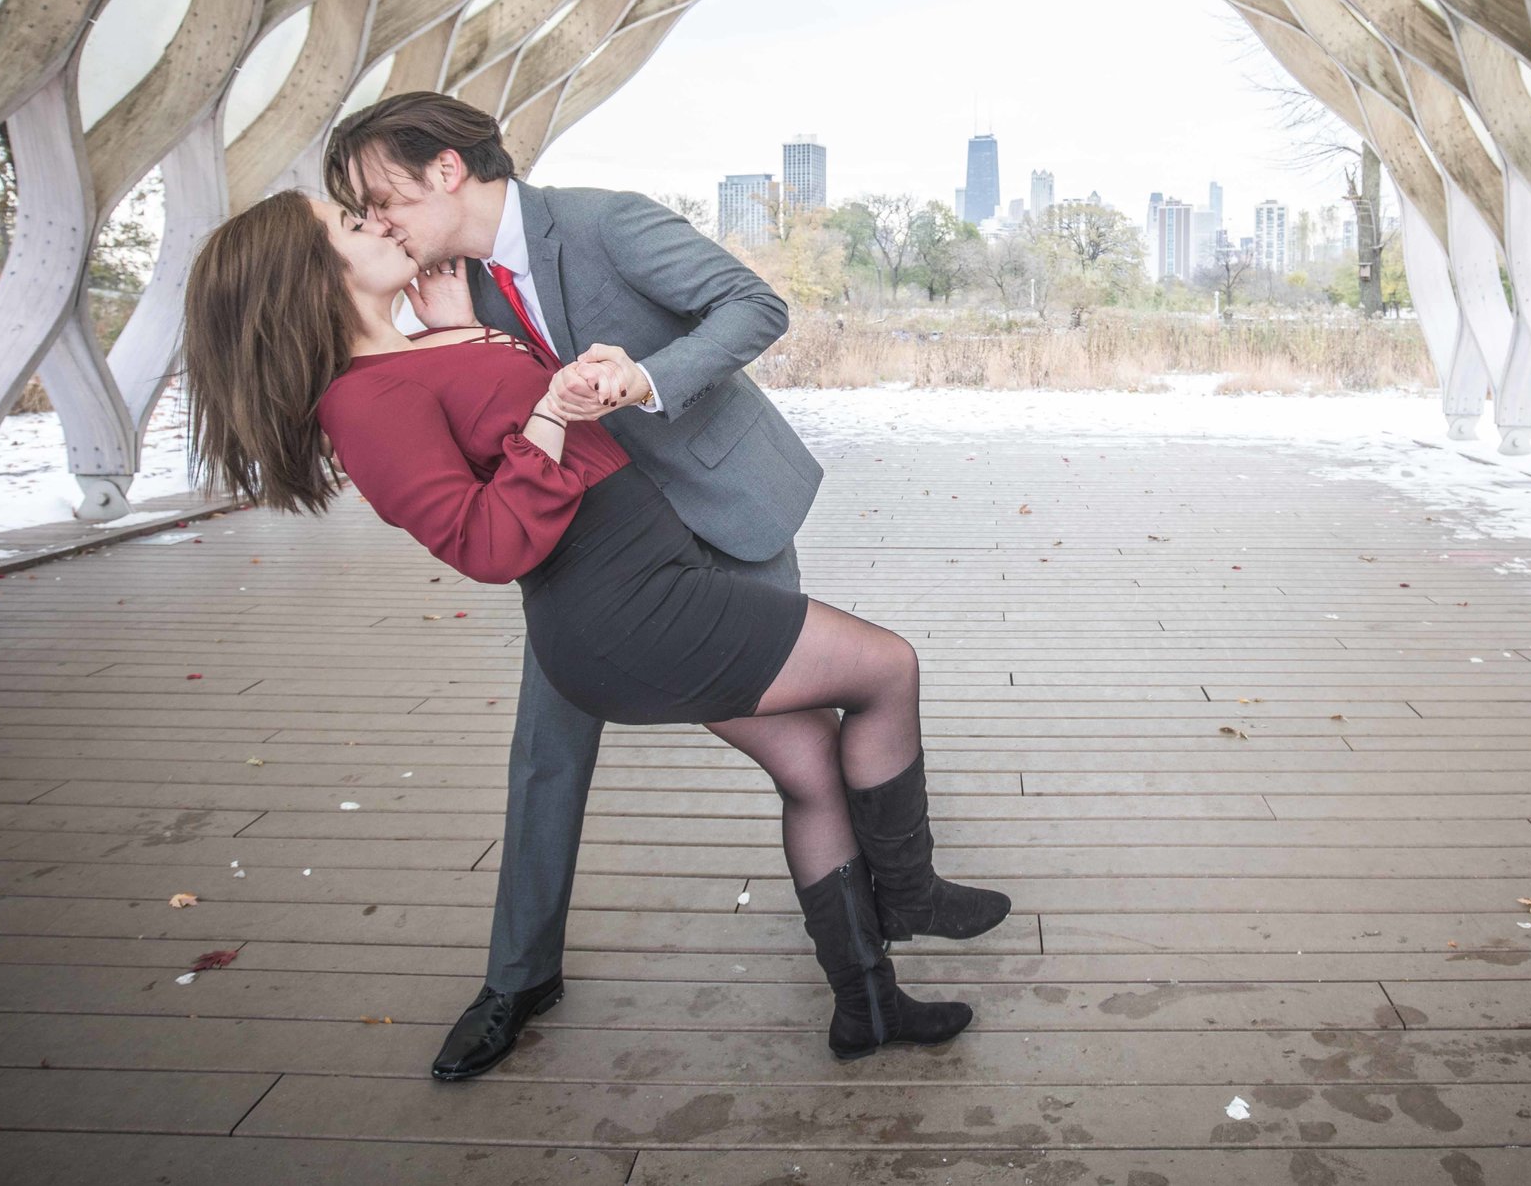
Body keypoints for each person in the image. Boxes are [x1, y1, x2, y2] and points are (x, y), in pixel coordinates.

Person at [181, 181, 1011, 1069]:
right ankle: (911, 892)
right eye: (352, 222)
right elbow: (485, 541)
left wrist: (473, 331)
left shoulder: (419, 345)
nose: (377, 222)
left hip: (650, 583)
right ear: (308, 276)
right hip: (627, 608)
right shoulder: (362, 403)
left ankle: (868, 1008)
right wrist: (547, 410)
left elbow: (494, 417)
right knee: (886, 667)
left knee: (810, 758)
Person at [328, 91, 825, 1078]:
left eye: (379, 193)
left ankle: (875, 907)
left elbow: (754, 306)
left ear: (445, 169)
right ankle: (517, 976)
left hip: (722, 503)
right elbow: (484, 410)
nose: (375, 219)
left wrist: (644, 376)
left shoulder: (603, 221)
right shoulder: (445, 287)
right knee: (545, 748)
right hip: (584, 541)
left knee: (804, 723)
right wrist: (458, 334)